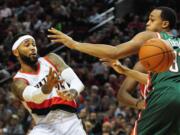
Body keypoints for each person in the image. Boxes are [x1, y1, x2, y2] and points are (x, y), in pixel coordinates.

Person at [48, 6, 180, 134]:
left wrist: (74, 44)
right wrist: (126, 72)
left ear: (165, 24)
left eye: (152, 19)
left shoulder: (153, 37)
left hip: (162, 97)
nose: (147, 23)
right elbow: (159, 80)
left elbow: (115, 52)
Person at [11, 33, 86, 135]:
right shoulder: (18, 82)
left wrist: (73, 91)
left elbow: (76, 81)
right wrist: (47, 87)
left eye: (34, 44)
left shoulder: (51, 59)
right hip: (44, 127)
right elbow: (35, 97)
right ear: (16, 52)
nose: (32, 48)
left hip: (71, 120)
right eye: (27, 45)